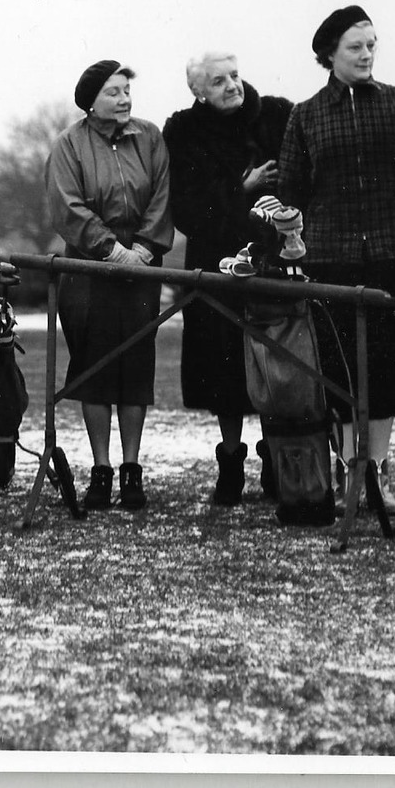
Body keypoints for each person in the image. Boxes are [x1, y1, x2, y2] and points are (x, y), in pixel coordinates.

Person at [277, 6, 395, 517]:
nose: (366, 54)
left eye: (372, 44)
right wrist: (289, 244)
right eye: (355, 46)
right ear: (329, 53)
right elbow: (288, 191)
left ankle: (376, 476)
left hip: (392, 255)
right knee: (338, 374)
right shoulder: (305, 115)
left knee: (388, 373)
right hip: (330, 263)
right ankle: (345, 475)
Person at [162, 52, 294, 506]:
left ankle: (278, 461)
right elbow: (186, 211)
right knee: (223, 367)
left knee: (276, 361)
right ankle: (231, 463)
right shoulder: (183, 131)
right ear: (199, 91)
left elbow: (297, 183)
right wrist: (242, 188)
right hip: (214, 265)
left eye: (235, 75)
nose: (232, 86)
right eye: (218, 81)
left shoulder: (276, 115)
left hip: (271, 258)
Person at [45, 60, 173, 511]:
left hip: (141, 268)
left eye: (126, 91)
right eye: (114, 92)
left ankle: (131, 468)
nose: (124, 100)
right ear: (91, 100)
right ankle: (100, 468)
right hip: (89, 269)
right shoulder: (69, 145)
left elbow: (160, 195)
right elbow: (67, 206)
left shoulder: (149, 137)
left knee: (135, 363)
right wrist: (108, 250)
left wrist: (141, 249)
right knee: (95, 364)